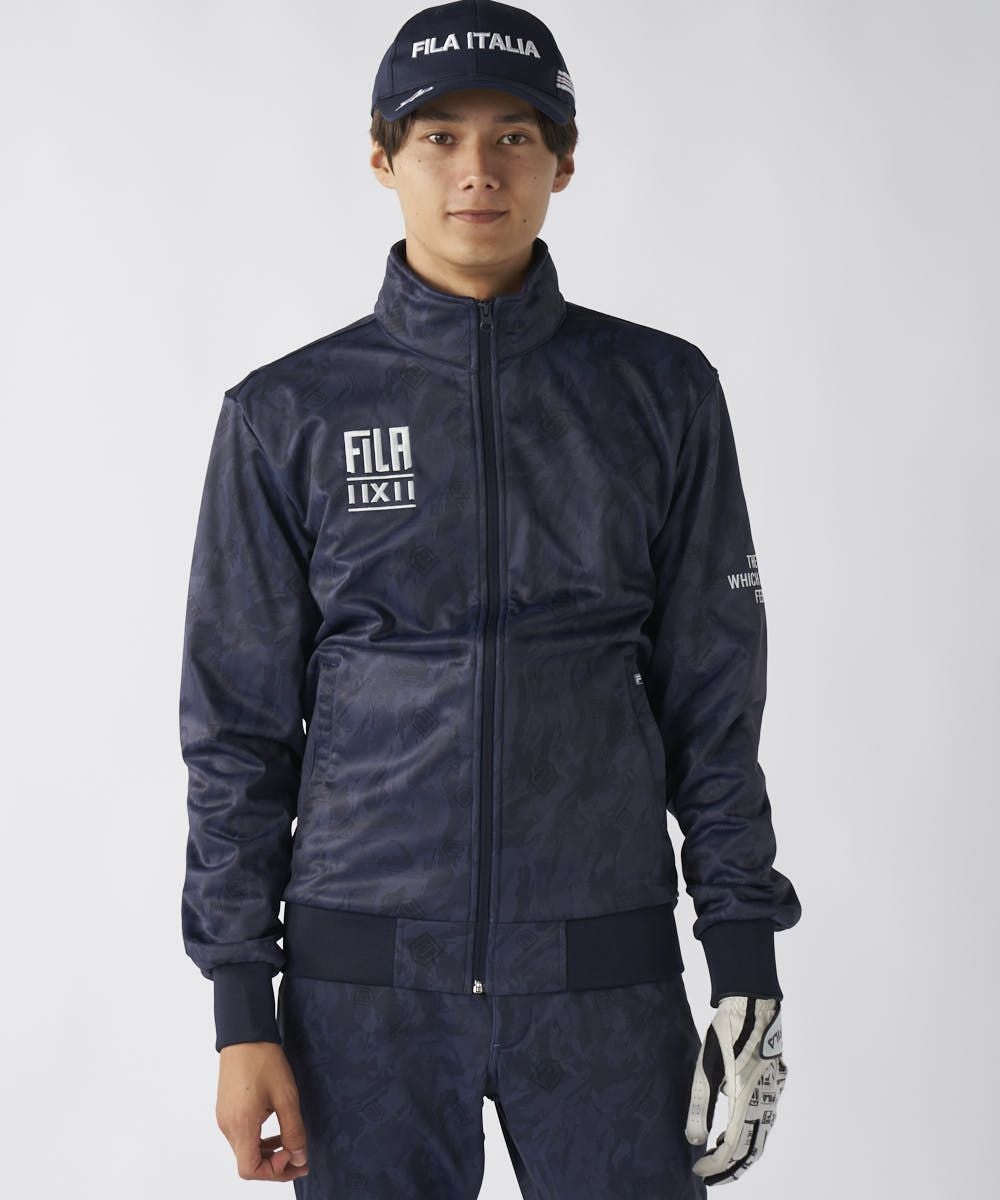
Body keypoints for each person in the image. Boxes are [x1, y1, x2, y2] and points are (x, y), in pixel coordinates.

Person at [178, 2, 803, 1195]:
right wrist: (239, 1010)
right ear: (383, 159)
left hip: (603, 975)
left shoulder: (661, 392)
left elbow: (715, 702)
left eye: (514, 137)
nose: (478, 171)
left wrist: (745, 964)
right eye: (439, 138)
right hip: (362, 991)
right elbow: (237, 733)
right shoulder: (287, 413)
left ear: (563, 160)